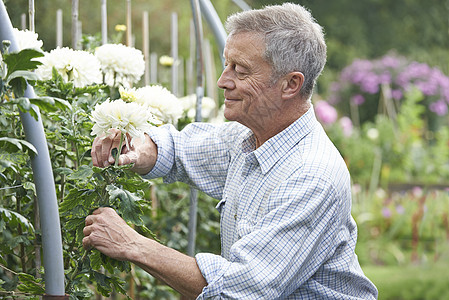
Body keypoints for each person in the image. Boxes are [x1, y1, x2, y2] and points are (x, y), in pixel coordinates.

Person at [83, 3, 378, 299]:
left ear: (291, 84)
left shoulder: (311, 176)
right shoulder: (248, 139)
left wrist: (133, 245)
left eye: (240, 70)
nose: (223, 81)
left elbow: (242, 290)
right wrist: (134, 148)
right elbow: (179, 150)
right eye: (227, 65)